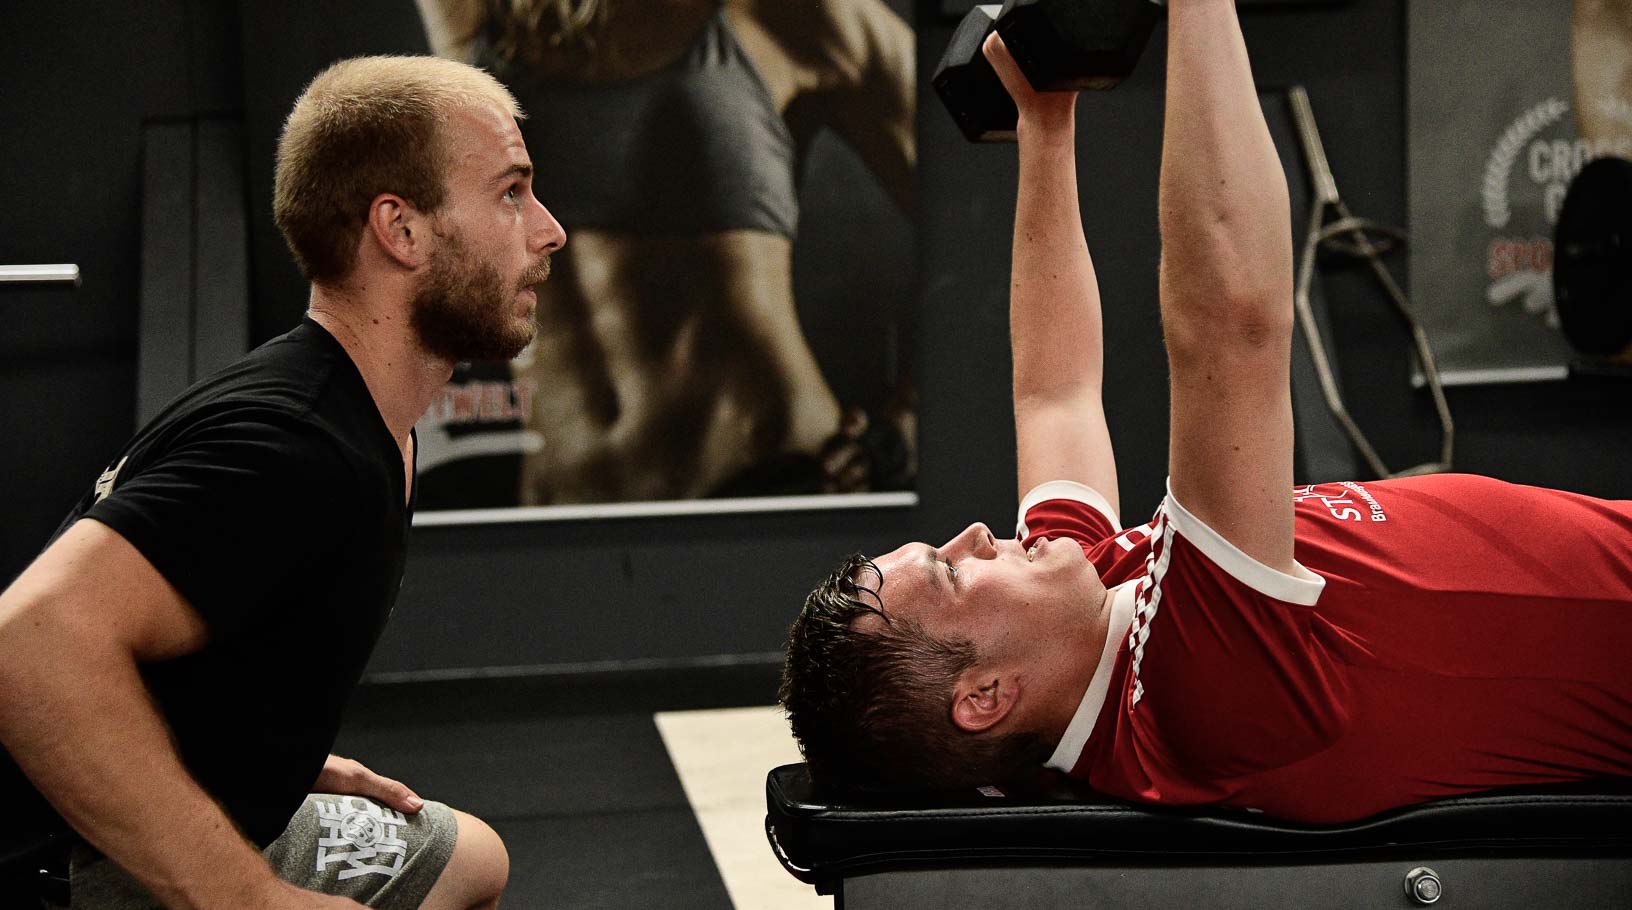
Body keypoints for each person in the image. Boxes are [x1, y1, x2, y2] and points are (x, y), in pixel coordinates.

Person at [780, 4, 1632, 825]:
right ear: (986, 698)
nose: (972, 532)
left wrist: (1046, 128)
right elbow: (1232, 327)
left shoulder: (1088, 601)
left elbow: (1056, 390)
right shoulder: (1198, 698)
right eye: (953, 571)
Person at [0, 54, 564, 907]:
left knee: (466, 859)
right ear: (401, 230)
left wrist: (273, 761)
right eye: (511, 193)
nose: (548, 229)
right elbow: (26, 645)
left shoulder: (357, 414)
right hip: (67, 868)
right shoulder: (290, 446)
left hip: (202, 797)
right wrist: (249, 899)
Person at [414, 0, 916, 503]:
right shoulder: (477, 18)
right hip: (567, 505)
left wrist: (906, 433)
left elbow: (975, 207)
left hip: (771, 477)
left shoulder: (791, 14)